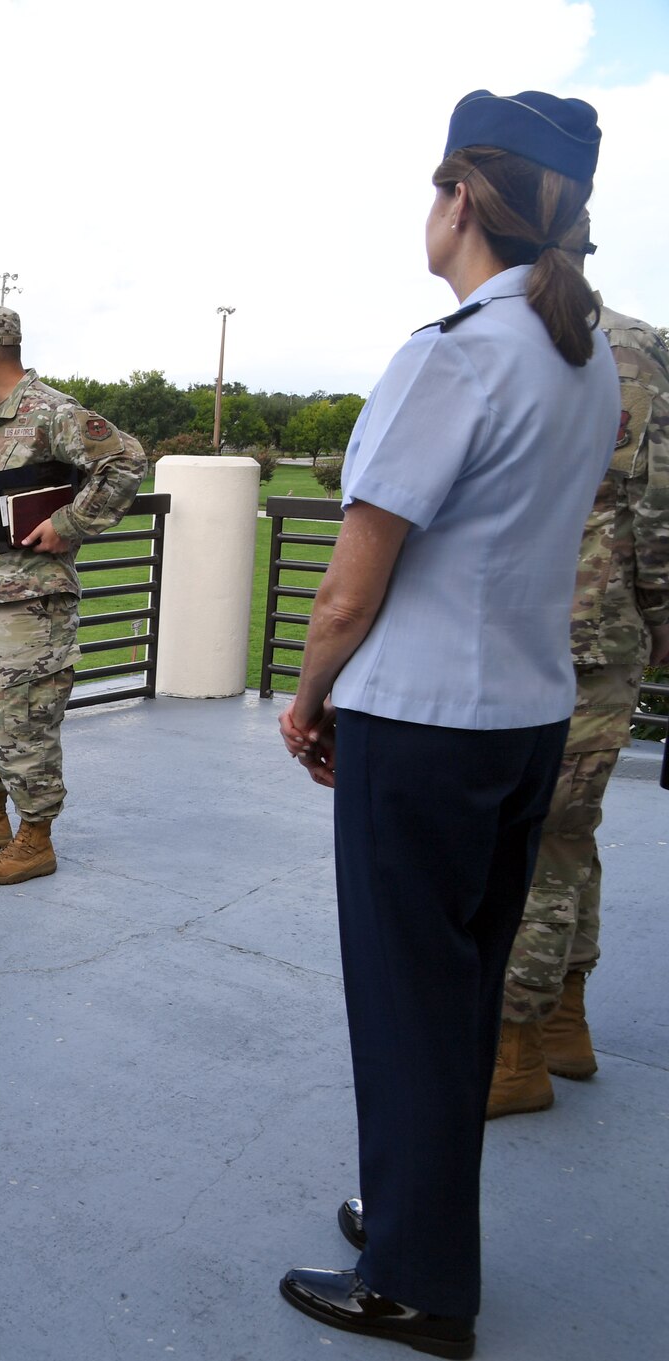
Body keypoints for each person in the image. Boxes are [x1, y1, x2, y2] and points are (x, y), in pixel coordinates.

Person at [276, 90, 617, 1357]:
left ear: (460, 198)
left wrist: (308, 699)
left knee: (403, 1000)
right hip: (522, 719)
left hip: (417, 727)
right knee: (457, 999)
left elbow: (349, 584)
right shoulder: (580, 363)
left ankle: (417, 1282)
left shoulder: (453, 354)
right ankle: (411, 1215)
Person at [489, 222, 669, 1117]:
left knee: (533, 837)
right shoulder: (642, 345)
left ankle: (515, 1051)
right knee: (570, 830)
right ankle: (565, 1020)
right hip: (608, 630)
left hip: (538, 625)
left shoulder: (511, 335)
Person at [0, 305, 142, 884]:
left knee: (24, 723)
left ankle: (35, 838)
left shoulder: (51, 411)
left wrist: (69, 524)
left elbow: (125, 462)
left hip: (29, 604)